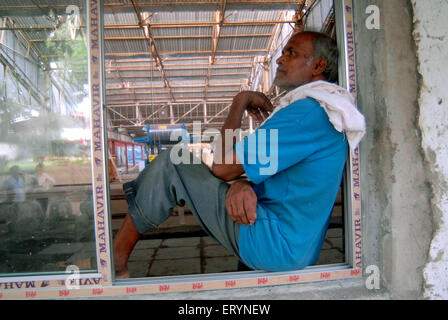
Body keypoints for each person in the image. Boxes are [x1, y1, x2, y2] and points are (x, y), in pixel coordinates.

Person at [113, 31, 365, 278]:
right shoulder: (325, 113)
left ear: (318, 65)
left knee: (173, 162)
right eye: (282, 52)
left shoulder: (306, 114)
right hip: (294, 247)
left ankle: (116, 261)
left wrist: (240, 101)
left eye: (292, 52)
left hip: (273, 243)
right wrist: (243, 183)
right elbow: (285, 176)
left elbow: (222, 166)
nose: (280, 59)